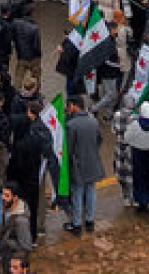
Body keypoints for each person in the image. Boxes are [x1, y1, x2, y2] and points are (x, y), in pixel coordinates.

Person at [63, 95, 102, 235]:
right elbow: (99, 141)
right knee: (91, 190)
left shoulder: (71, 125)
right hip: (92, 161)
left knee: (77, 193)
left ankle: (77, 223)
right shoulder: (94, 121)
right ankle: (90, 221)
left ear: (74, 105)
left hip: (78, 164)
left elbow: (68, 148)